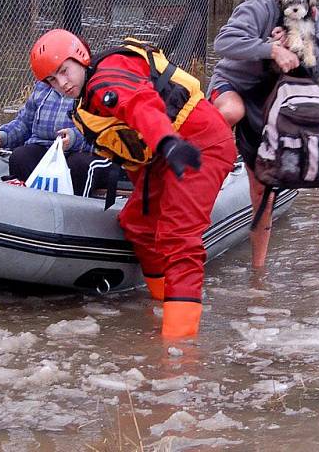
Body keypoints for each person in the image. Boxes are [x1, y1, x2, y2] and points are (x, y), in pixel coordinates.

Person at [30, 30, 236, 338]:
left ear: (81, 58)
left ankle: (179, 350)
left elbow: (142, 106)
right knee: (137, 223)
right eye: (52, 80)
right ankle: (162, 302)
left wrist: (167, 143)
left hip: (197, 145)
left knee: (179, 237)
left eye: (64, 71)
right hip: (161, 157)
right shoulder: (85, 105)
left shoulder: (107, 79)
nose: (62, 84)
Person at [209, 0, 319, 268]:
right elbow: (224, 42)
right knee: (231, 110)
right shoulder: (257, 7)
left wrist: (301, 46)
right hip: (233, 84)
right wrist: (270, 48)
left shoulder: (313, 18)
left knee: (263, 189)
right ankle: (205, 164)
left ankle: (258, 271)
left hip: (269, 99)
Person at [0, 80, 105, 196]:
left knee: (78, 164)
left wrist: (74, 138)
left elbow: (103, 131)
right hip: (46, 147)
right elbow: (24, 123)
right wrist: (4, 135)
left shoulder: (97, 87)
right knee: (20, 156)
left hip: (86, 150)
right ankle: (30, 204)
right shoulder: (42, 87)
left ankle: (76, 208)